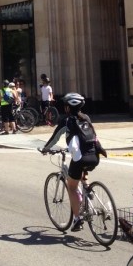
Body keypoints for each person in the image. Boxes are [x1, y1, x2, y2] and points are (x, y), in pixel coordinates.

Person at [40, 92, 107, 232]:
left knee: (71, 186)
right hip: (95, 156)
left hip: (80, 158)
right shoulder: (86, 118)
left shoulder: (67, 121)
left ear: (67, 108)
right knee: (82, 172)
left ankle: (77, 219)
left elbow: (55, 138)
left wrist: (45, 149)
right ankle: (88, 189)